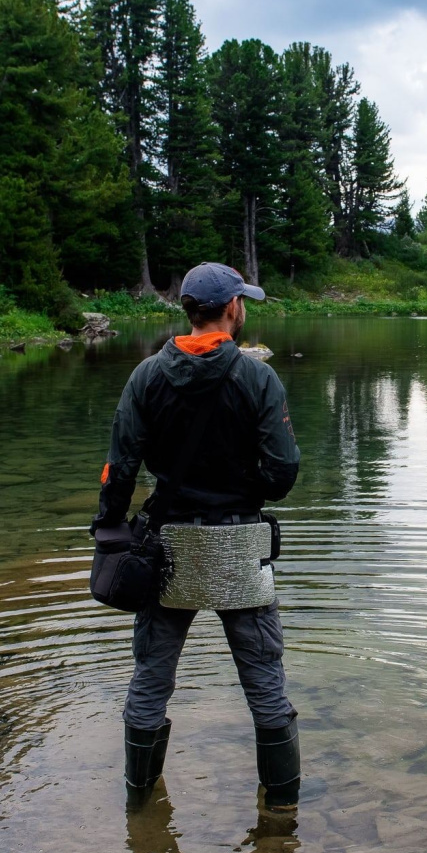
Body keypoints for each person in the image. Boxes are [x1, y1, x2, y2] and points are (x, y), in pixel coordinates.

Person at [94, 261, 303, 809]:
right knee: (265, 682)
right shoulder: (259, 378)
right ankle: (281, 811)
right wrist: (242, 488)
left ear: (186, 310)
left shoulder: (145, 376)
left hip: (167, 547)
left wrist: (111, 528)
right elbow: (282, 476)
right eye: (244, 303)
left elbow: (121, 468)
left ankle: (140, 803)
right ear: (233, 308)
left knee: (151, 678)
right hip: (238, 546)